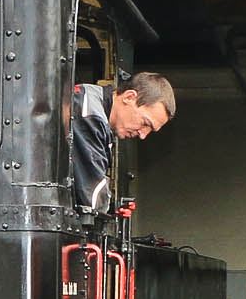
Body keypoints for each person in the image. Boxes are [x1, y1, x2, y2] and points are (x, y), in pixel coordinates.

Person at [70, 69, 175, 212]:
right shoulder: (90, 115)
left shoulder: (93, 104)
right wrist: (105, 211)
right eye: (145, 123)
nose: (143, 135)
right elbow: (91, 198)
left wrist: (112, 208)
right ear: (129, 97)